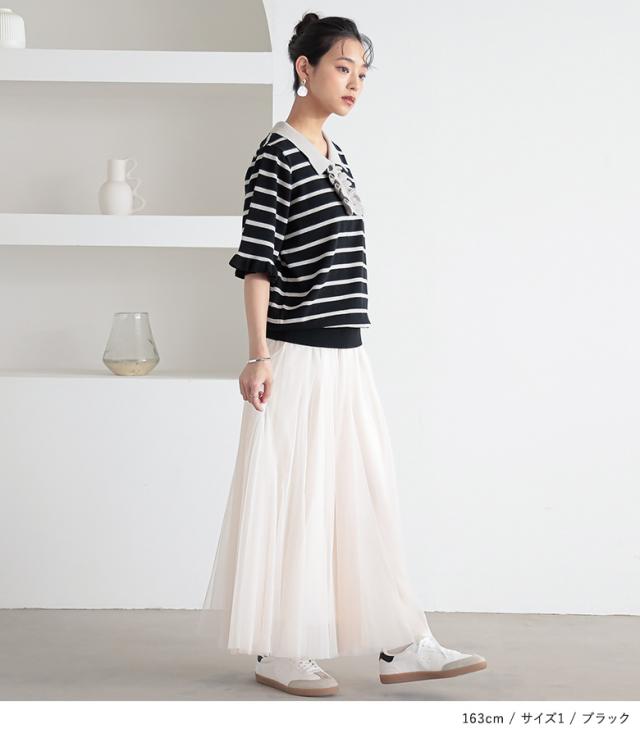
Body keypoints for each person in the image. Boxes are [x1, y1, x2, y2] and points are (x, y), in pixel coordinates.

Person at [198, 12, 487, 698]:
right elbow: (258, 263)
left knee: (366, 497)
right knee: (295, 502)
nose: (354, 83)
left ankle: (402, 643)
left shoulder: (336, 155)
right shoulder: (276, 155)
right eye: (342, 67)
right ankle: (279, 649)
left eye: (362, 72)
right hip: (296, 356)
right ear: (305, 69)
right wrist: (258, 355)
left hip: (346, 356)